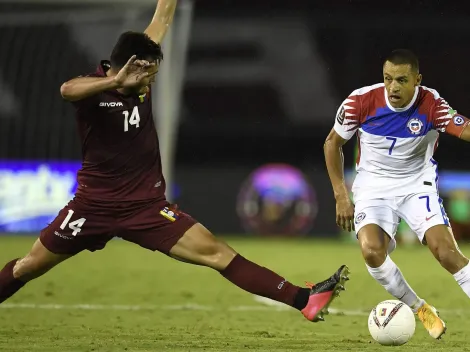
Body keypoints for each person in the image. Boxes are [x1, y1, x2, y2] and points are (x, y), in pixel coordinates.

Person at [0, 0, 349, 324]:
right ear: (128, 67)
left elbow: (163, 16)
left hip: (146, 209)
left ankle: (304, 299)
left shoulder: (141, 63)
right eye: (146, 74)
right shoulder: (94, 90)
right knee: (28, 267)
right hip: (92, 207)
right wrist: (114, 82)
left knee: (217, 253)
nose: (151, 80)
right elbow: (66, 90)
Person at [324, 48, 470, 339]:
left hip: (416, 185)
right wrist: (341, 194)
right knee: (371, 251)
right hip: (372, 186)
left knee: (446, 252)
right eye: (388, 79)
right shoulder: (360, 101)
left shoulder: (431, 104)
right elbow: (332, 143)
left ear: (417, 80)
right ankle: (420, 308)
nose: (393, 87)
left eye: (402, 80)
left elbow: (464, 128)